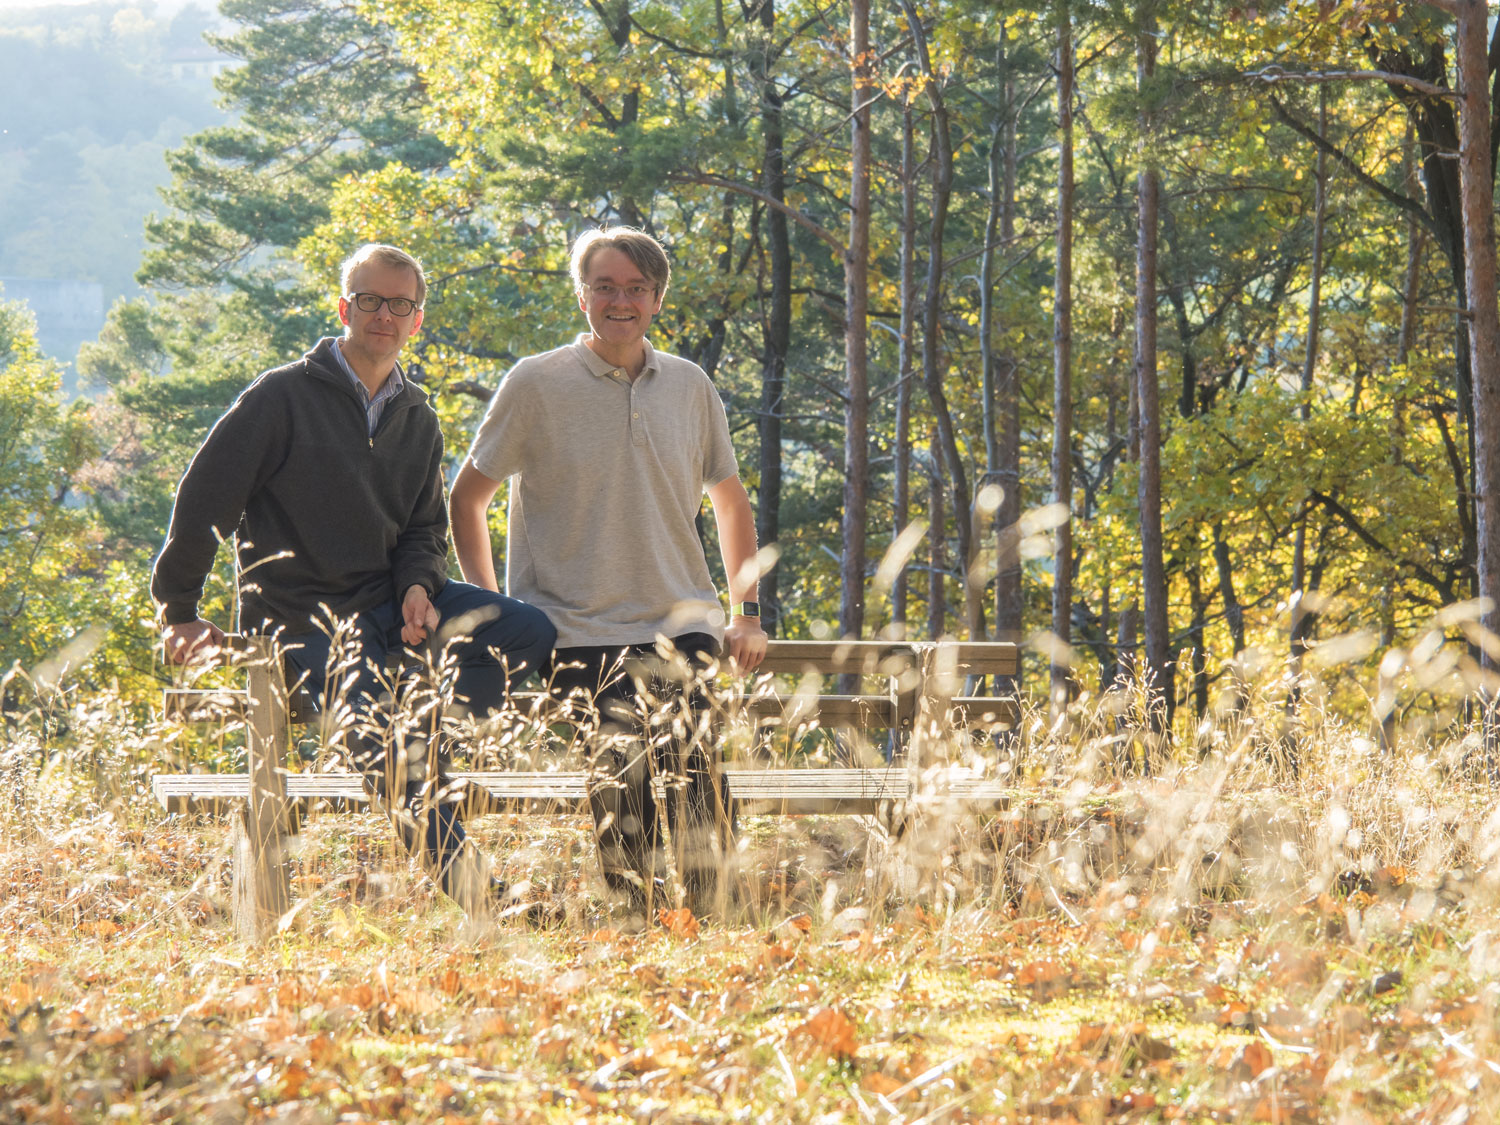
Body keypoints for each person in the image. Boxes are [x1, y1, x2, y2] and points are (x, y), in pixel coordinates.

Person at [151, 243, 556, 916]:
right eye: (370, 300)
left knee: (526, 627)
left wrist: (419, 588)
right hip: (297, 619)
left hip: (384, 605)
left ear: (416, 321)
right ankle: (481, 896)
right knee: (373, 721)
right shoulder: (282, 397)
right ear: (344, 308)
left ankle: (427, 751)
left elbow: (423, 530)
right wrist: (180, 607)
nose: (383, 315)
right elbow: (203, 500)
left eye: (400, 304)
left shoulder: (416, 416)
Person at [449, 226, 767, 919]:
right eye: (605, 287)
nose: (620, 300)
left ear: (657, 299)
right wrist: (494, 610)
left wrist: (747, 611)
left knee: (703, 792)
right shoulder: (535, 382)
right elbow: (467, 498)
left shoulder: (688, 384)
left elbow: (731, 501)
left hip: (684, 623)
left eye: (635, 289)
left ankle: (715, 937)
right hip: (577, 629)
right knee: (624, 795)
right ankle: (639, 936)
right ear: (581, 294)